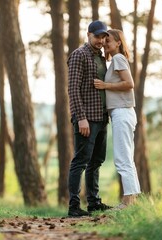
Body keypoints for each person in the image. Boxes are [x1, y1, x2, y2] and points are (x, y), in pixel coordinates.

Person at [67, 20, 112, 217]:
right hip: (86, 119)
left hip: (102, 118)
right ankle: (74, 206)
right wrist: (81, 118)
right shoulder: (79, 55)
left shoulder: (101, 57)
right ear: (88, 35)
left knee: (97, 161)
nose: (101, 40)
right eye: (97, 36)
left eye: (103, 37)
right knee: (81, 161)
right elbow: (73, 89)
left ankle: (94, 203)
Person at [94, 29, 141, 209]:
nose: (105, 43)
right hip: (121, 113)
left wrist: (105, 85)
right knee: (126, 158)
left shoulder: (119, 59)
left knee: (122, 159)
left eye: (108, 41)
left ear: (118, 43)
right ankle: (132, 200)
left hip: (122, 112)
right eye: (104, 41)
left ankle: (127, 202)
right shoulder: (115, 60)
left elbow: (129, 84)